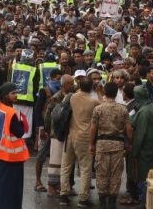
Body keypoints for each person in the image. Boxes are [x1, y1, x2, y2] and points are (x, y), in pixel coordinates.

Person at [59, 75, 100, 207]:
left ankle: (63, 195)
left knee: (66, 167)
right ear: (91, 88)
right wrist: (100, 92)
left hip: (70, 134)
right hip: (85, 137)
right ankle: (83, 198)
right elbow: (104, 108)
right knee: (86, 168)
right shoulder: (93, 102)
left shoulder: (72, 97)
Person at [0, 82, 30, 209]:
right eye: (13, 93)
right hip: (12, 156)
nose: (16, 95)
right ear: (6, 95)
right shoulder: (11, 112)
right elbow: (20, 132)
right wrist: (22, 119)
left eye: (16, 92)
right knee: (12, 188)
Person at [89, 82, 131, 209]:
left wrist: (91, 144)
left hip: (102, 144)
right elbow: (129, 129)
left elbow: (93, 128)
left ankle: (102, 201)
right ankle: (112, 201)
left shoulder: (98, 109)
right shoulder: (123, 109)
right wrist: (129, 143)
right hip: (118, 144)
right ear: (116, 92)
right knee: (115, 173)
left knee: (101, 172)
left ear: (105, 93)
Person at [129, 86, 153, 206]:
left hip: (146, 150)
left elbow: (140, 134)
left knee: (144, 176)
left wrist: (134, 152)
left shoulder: (144, 112)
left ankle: (145, 202)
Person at [45, 74, 74, 197]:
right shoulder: (57, 98)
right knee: (55, 161)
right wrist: (47, 130)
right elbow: (49, 114)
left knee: (65, 162)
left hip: (67, 132)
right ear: (63, 85)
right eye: (70, 84)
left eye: (73, 83)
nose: (73, 86)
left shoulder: (72, 96)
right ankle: (51, 187)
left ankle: (63, 186)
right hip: (56, 133)